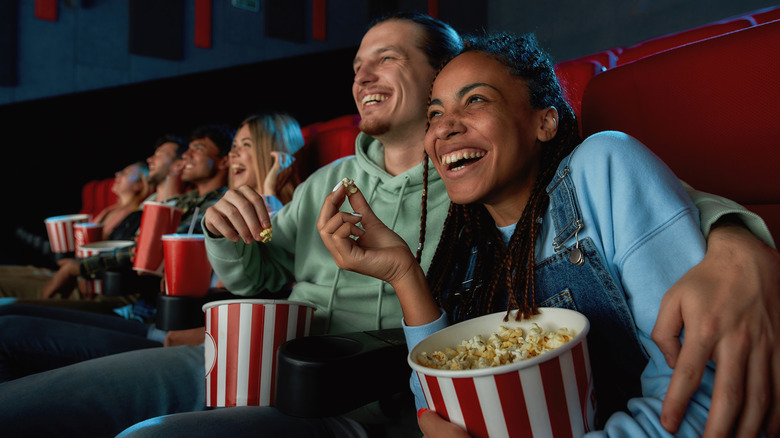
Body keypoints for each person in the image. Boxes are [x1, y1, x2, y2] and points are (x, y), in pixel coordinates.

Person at [0, 12, 775, 438]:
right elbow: (442, 359)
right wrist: (237, 250)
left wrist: (740, 237)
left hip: (354, 392)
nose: (361, 75)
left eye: (386, 60)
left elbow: (628, 191)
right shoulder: (388, 202)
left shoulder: (518, 187)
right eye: (441, 112)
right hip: (265, 360)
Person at [317, 31, 776, 436]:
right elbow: (439, 409)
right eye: (435, 114)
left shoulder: (602, 166)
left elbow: (699, 403)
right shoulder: (465, 251)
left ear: (545, 121)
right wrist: (404, 275)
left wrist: (735, 233)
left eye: (475, 100)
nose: (446, 127)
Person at [0, 113, 301, 382]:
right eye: (234, 144)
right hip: (156, 322)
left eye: (245, 145)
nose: (235, 152)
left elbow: (251, 287)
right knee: (9, 321)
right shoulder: (215, 209)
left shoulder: (286, 213)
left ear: (274, 152)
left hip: (181, 337)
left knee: (8, 330)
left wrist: (269, 192)